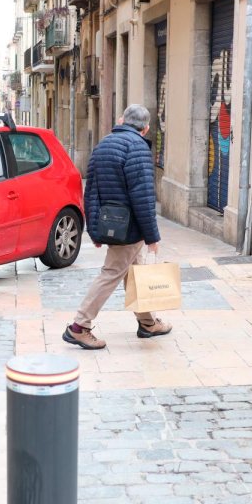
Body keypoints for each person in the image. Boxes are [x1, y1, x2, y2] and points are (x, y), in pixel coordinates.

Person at [64, 104, 172, 350]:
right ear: (145, 129)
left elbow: (91, 190)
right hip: (130, 226)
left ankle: (147, 322)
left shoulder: (104, 144)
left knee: (135, 272)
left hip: (111, 223)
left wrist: (94, 228)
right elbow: (143, 196)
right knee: (112, 273)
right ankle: (79, 327)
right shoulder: (138, 148)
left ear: (122, 120)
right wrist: (152, 236)